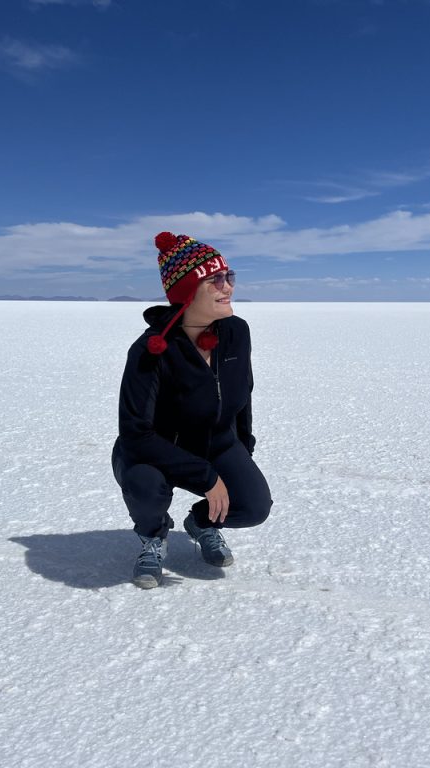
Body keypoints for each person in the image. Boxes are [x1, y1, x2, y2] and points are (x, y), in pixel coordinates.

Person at [111, 231, 272, 589]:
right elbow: (136, 434)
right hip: (155, 450)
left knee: (254, 505)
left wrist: (243, 448)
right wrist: (207, 478)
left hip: (216, 440)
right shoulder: (150, 351)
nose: (227, 286)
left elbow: (243, 393)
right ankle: (154, 535)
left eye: (229, 276)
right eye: (214, 280)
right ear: (186, 292)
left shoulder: (236, 332)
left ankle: (202, 523)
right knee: (144, 484)